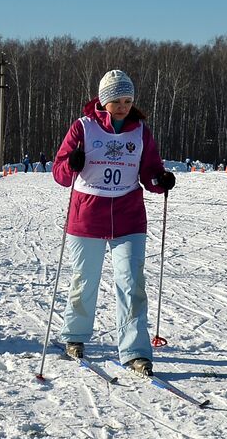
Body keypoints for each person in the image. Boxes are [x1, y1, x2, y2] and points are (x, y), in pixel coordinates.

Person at [53, 70, 174, 375]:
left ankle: (135, 351)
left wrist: (161, 180)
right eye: (117, 100)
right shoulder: (83, 127)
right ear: (104, 100)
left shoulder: (140, 132)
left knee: (132, 283)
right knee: (84, 279)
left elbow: (150, 172)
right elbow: (59, 172)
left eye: (128, 100)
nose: (123, 106)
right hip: (87, 215)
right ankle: (75, 336)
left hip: (128, 215)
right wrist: (72, 163)